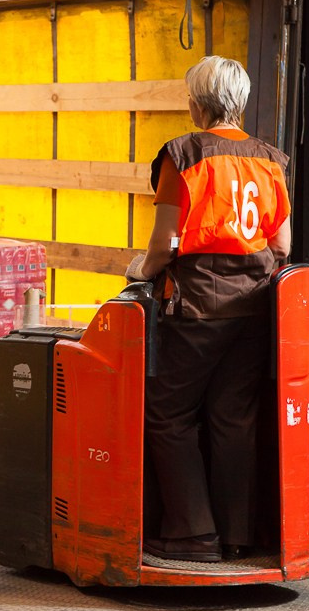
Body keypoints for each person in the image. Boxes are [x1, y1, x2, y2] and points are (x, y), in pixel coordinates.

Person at [125, 56, 291, 563]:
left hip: (198, 307)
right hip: (256, 309)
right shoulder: (271, 159)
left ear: (197, 104)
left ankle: (193, 534)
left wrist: (141, 270)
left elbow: (164, 241)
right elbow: (282, 242)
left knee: (167, 415)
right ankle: (237, 534)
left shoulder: (185, 153)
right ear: (239, 103)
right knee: (232, 418)